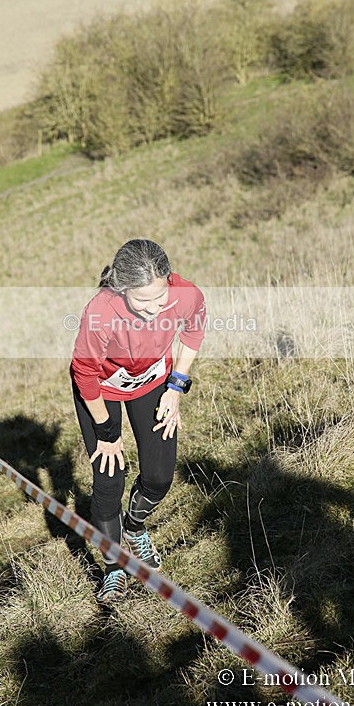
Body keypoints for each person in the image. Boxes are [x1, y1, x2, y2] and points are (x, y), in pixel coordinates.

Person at [70, 239, 206, 603]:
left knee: (159, 477)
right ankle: (114, 566)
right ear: (122, 288)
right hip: (101, 390)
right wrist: (107, 433)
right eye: (142, 302)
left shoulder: (187, 295)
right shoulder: (101, 310)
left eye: (159, 300)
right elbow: (84, 373)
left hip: (152, 383)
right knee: (109, 480)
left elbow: (192, 333)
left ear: (169, 281)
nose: (153, 309)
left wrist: (175, 387)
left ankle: (135, 526)